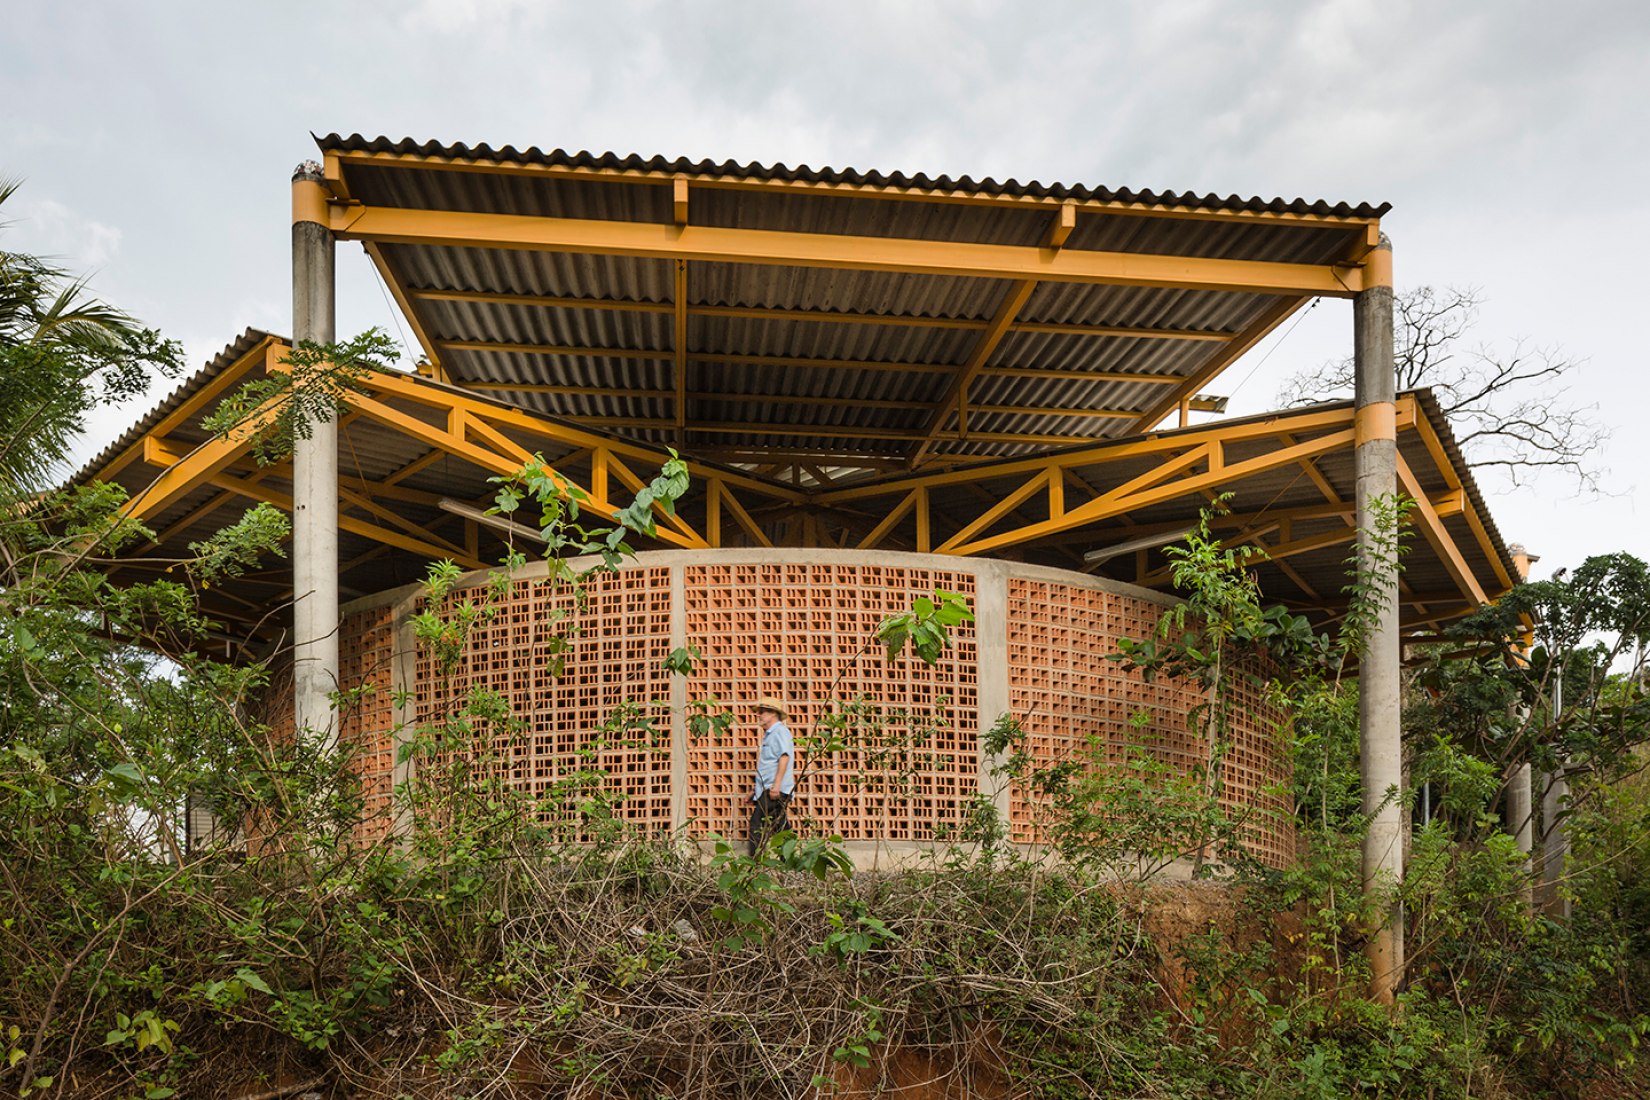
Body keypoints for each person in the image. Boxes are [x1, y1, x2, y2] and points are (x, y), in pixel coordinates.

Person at [748, 697, 795, 857]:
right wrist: (755, 791)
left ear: (773, 713)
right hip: (769, 788)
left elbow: (784, 757)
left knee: (756, 823)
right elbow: (768, 765)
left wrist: (777, 785)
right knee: (781, 826)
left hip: (775, 789)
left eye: (762, 712)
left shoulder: (779, 732)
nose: (759, 715)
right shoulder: (769, 735)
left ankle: (753, 863)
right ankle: (791, 859)